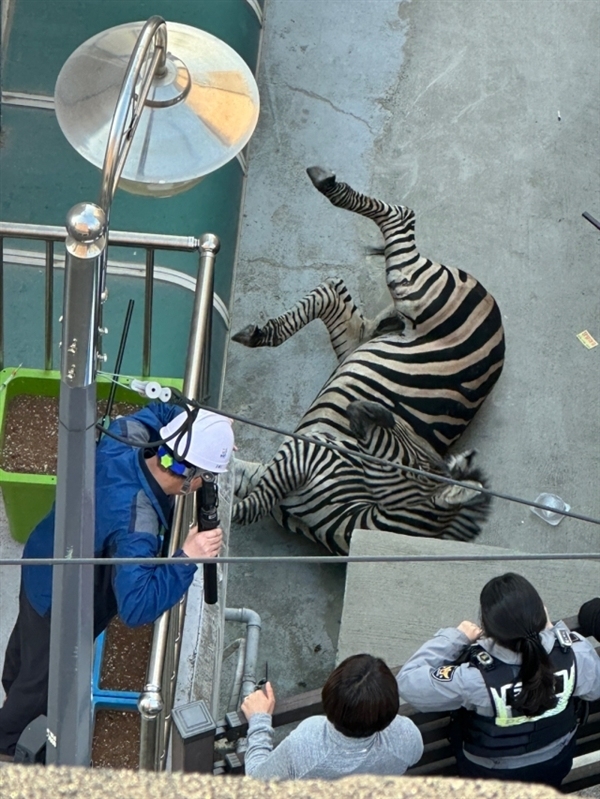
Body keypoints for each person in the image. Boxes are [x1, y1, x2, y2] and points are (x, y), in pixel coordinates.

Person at [0, 401, 234, 759]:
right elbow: (136, 607)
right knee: (40, 685)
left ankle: (11, 686)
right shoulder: (137, 525)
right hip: (61, 605)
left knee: (25, 651)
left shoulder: (125, 437)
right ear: (192, 480)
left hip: (41, 559)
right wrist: (187, 557)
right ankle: (8, 742)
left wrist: (206, 428)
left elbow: (161, 411)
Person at [397, 573, 600, 788]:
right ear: (542, 613)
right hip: (554, 762)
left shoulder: (474, 679)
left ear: (486, 626)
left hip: (490, 774)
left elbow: (407, 682)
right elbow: (594, 691)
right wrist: (550, 630)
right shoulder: (576, 654)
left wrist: (456, 637)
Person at [240, 653, 423, 779]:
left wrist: (259, 720)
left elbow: (257, 780)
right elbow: (415, 756)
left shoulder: (305, 742)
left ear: (328, 698)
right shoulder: (406, 736)